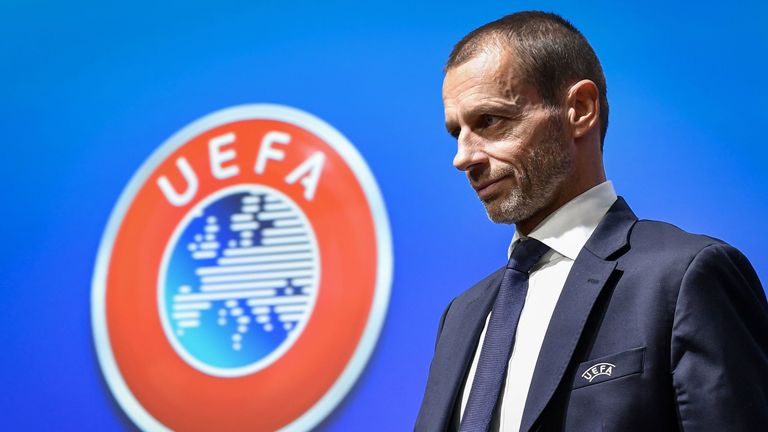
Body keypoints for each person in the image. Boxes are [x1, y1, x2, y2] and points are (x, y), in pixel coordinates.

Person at [415, 11, 768, 432]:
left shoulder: (684, 277)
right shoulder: (461, 315)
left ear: (579, 109)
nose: (463, 157)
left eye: (490, 121)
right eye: (457, 132)